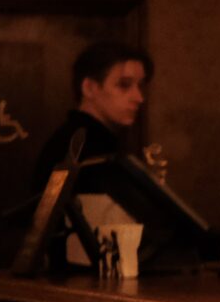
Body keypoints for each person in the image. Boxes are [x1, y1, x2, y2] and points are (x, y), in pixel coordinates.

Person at [30, 41, 149, 194]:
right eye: (124, 85)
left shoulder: (93, 141)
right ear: (90, 88)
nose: (139, 98)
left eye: (140, 86)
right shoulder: (78, 148)